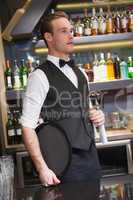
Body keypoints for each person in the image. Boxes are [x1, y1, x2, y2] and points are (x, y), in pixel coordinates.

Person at [21, 11, 105, 187]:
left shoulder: (81, 73)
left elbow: (85, 109)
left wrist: (96, 115)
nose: (71, 35)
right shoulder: (39, 76)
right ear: (49, 37)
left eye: (71, 30)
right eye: (63, 31)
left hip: (91, 159)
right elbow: (27, 126)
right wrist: (42, 168)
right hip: (62, 163)